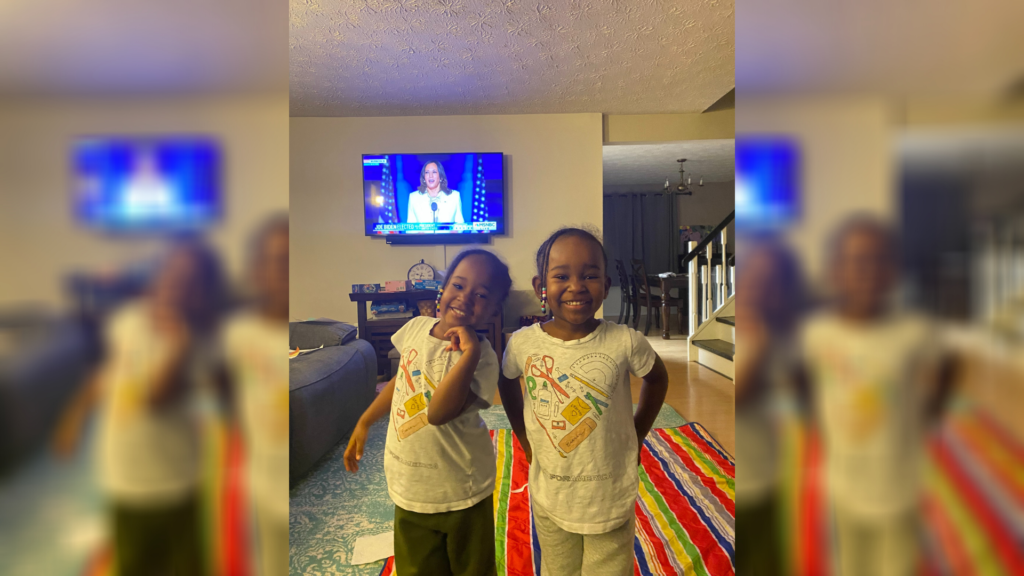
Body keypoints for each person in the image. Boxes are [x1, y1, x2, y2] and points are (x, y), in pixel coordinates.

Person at [498, 227, 669, 576]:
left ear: (606, 285)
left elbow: (657, 378)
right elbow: (506, 381)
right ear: (540, 286)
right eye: (561, 276)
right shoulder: (522, 343)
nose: (576, 286)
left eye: (590, 275)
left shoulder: (625, 341)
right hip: (550, 495)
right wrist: (524, 437)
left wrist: (636, 434)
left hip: (609, 497)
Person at [54, 237, 226, 576]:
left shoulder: (198, 341)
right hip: (125, 475)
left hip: (174, 481)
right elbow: (106, 374)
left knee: (186, 565)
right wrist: (74, 416)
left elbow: (156, 398)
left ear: (203, 294)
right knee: (134, 564)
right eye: (170, 273)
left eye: (189, 281)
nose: (175, 285)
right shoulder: (128, 320)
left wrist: (178, 345)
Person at [799, 215, 955, 576]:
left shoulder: (916, 331)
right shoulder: (817, 332)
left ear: (893, 271)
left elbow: (946, 366)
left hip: (899, 489)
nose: (867, 272)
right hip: (842, 486)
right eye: (856, 261)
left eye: (879, 260)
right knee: (850, 566)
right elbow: (805, 380)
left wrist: (930, 412)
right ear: (835, 271)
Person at [344, 248, 513, 576]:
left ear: (494, 311)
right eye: (458, 286)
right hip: (409, 487)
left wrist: (468, 354)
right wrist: (365, 420)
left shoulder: (483, 359)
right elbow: (401, 379)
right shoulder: (415, 328)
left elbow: (438, 413)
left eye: (481, 295)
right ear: (443, 289)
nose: (465, 298)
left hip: (461, 491)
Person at [734, 236, 806, 576]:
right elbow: (741, 394)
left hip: (772, 478)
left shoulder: (787, 341)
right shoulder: (751, 339)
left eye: (771, 282)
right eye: (753, 278)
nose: (759, 290)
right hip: (746, 477)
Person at [223, 215, 289, 576]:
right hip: (257, 489)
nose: (283, 273)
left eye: (290, 263)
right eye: (275, 262)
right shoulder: (237, 334)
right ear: (257, 271)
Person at [405, 161, 465, 225]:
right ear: (424, 178)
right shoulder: (414, 198)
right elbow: (410, 227)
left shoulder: (454, 196)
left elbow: (460, 226)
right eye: (427, 172)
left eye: (434, 172)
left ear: (441, 177)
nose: (430, 176)